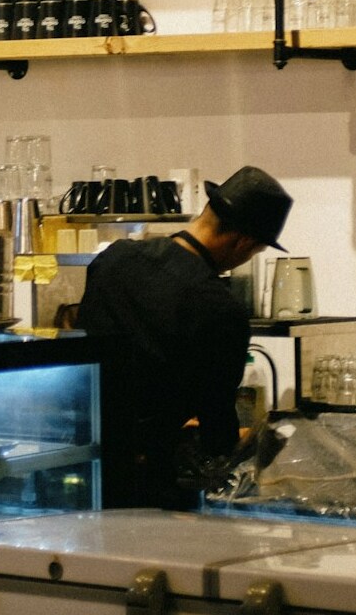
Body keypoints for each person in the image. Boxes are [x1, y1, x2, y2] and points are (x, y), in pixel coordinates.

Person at [78, 165, 292, 510]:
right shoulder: (219, 309)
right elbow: (217, 431)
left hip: (81, 458)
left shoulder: (113, 259)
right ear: (243, 242)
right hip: (147, 481)